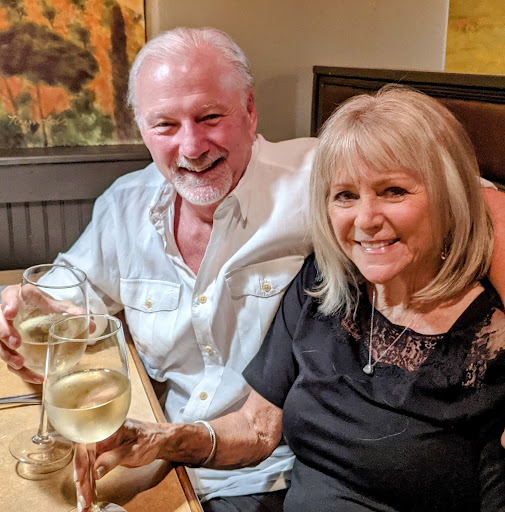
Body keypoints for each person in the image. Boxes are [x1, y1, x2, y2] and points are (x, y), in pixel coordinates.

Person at [1, 27, 505, 511]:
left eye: (209, 117)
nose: (192, 146)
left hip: (268, 473)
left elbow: (474, 201)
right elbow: (69, 296)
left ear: (249, 111)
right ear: (143, 130)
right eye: (166, 125)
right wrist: (26, 308)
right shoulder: (124, 206)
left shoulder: (321, 174)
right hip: (167, 444)